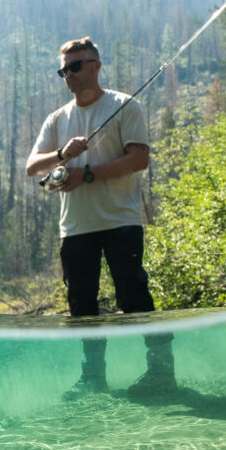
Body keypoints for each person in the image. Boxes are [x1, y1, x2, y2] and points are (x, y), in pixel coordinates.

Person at [25, 37, 174, 397]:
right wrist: (62, 153)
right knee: (82, 308)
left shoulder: (125, 106)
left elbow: (139, 159)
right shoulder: (57, 119)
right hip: (75, 228)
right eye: (64, 70)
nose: (69, 75)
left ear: (96, 65)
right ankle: (93, 378)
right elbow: (32, 167)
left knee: (135, 296)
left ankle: (161, 373)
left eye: (76, 66)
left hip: (121, 222)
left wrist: (87, 174)